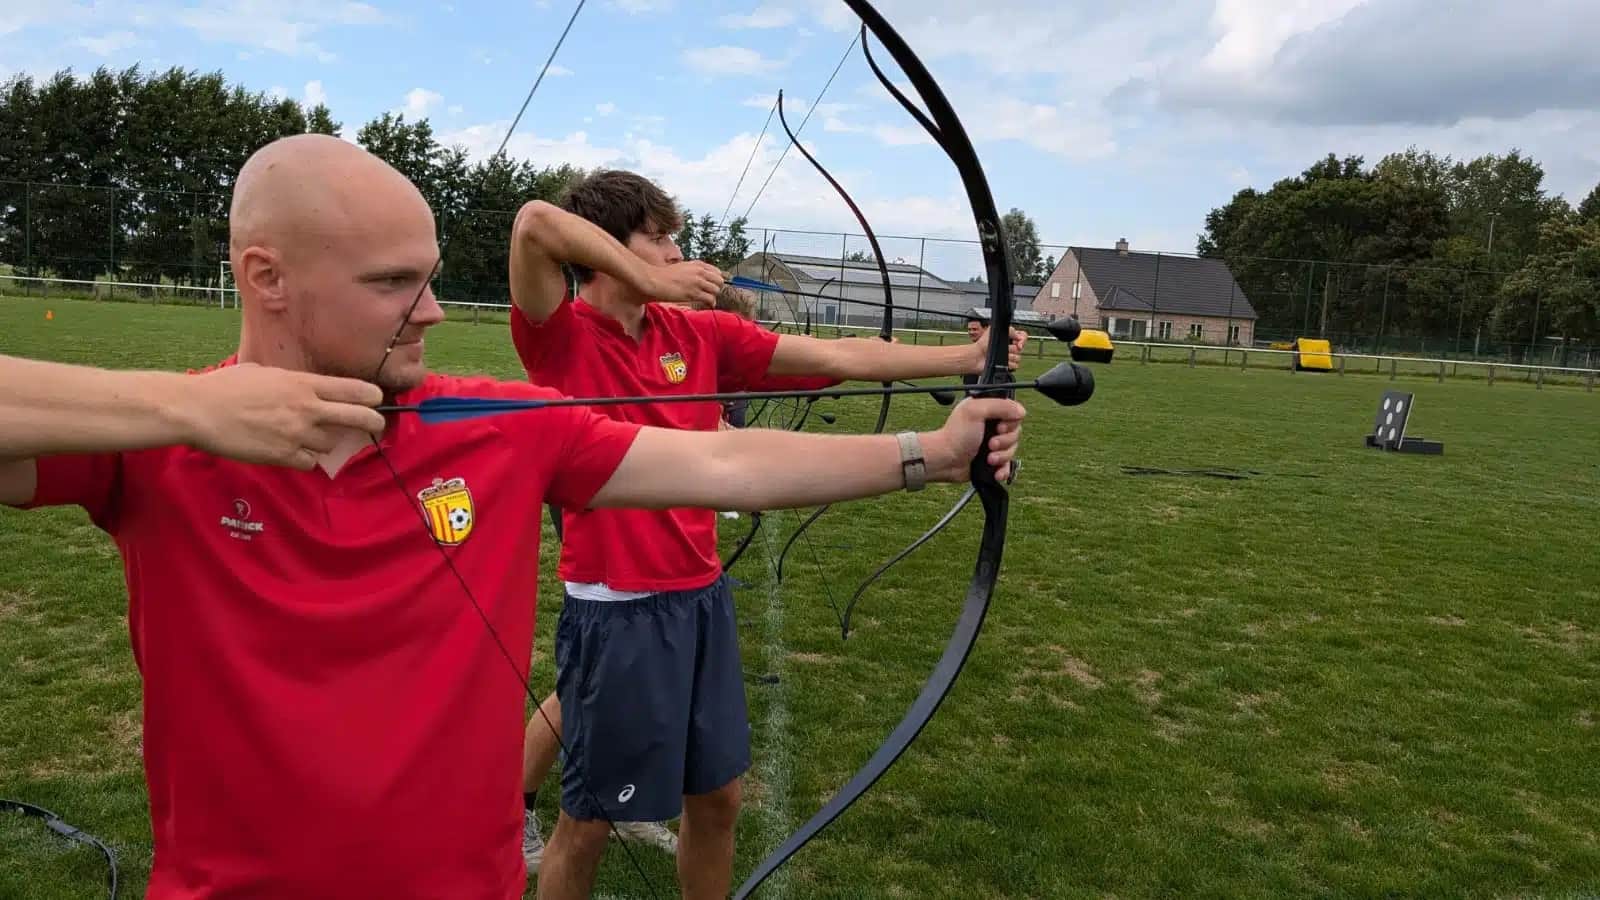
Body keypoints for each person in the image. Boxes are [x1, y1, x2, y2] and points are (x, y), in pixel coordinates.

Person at [0, 135, 1027, 900]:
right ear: (266, 278)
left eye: (431, 277)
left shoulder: (497, 425)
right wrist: (185, 410)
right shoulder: (155, 444)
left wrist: (928, 455)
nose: (435, 311)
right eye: (393, 283)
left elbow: (723, 458)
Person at [506, 168, 1026, 900]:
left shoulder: (696, 332)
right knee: (590, 824)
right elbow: (534, 222)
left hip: (700, 597)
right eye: (657, 238)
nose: (674, 251)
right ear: (605, 248)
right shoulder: (559, 334)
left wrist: (969, 358)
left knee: (718, 802)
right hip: (617, 606)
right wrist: (652, 280)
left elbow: (839, 357)